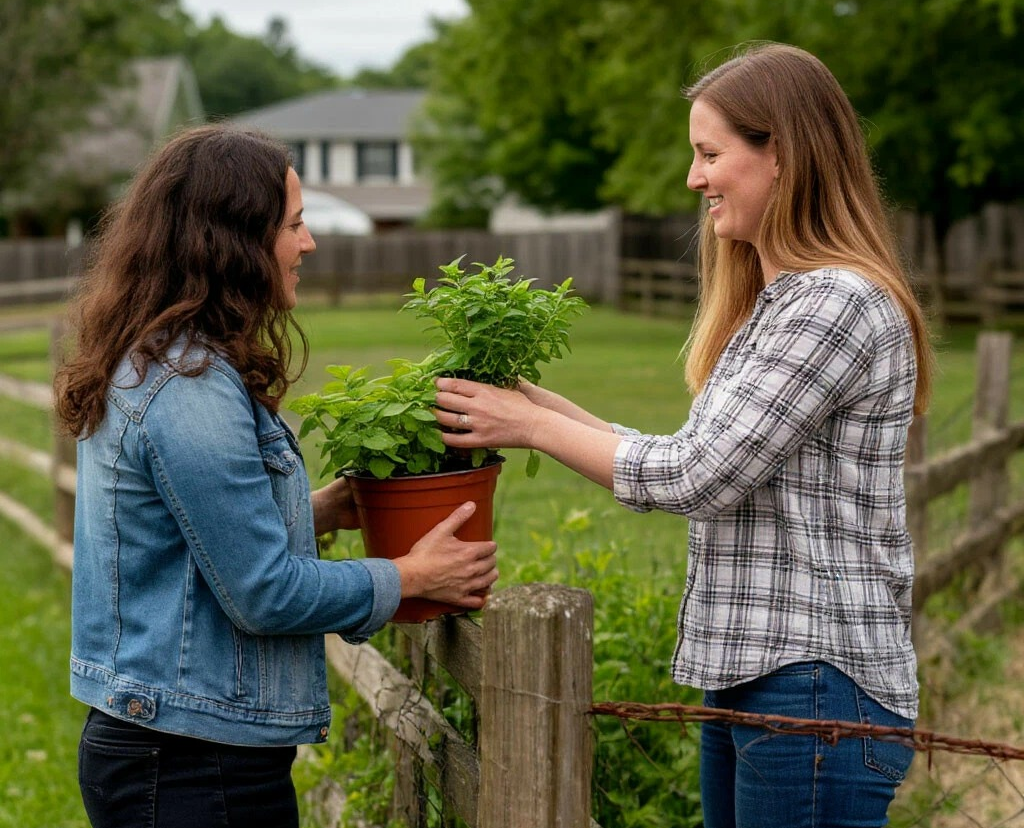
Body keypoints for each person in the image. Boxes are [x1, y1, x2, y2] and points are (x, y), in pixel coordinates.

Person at [433, 43, 933, 827]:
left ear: (782, 155)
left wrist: (529, 425)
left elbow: (697, 475)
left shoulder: (834, 304)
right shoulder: (776, 305)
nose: (695, 178)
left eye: (710, 154)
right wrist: (537, 406)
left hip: (814, 684)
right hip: (761, 676)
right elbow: (691, 455)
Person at [54, 124, 498, 828]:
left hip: (173, 743)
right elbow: (262, 592)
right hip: (193, 763)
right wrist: (410, 576)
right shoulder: (188, 390)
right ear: (232, 242)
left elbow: (183, 535)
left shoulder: (160, 360)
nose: (308, 243)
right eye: (293, 225)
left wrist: (318, 509)